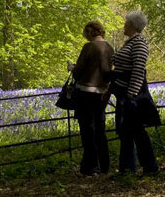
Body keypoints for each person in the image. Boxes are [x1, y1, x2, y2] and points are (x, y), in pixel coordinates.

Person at [110, 10, 159, 176]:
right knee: (125, 132)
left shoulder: (139, 43)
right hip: (123, 94)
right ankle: (127, 169)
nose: (123, 25)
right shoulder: (129, 43)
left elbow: (138, 70)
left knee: (138, 132)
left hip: (133, 97)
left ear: (131, 24)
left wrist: (131, 95)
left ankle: (150, 168)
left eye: (125, 22)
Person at [68, 20, 114, 176]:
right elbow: (107, 72)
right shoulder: (109, 48)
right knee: (100, 130)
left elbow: (78, 72)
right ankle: (104, 165)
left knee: (87, 131)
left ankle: (90, 167)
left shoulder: (88, 47)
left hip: (85, 92)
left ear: (90, 31)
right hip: (102, 93)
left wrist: (72, 68)